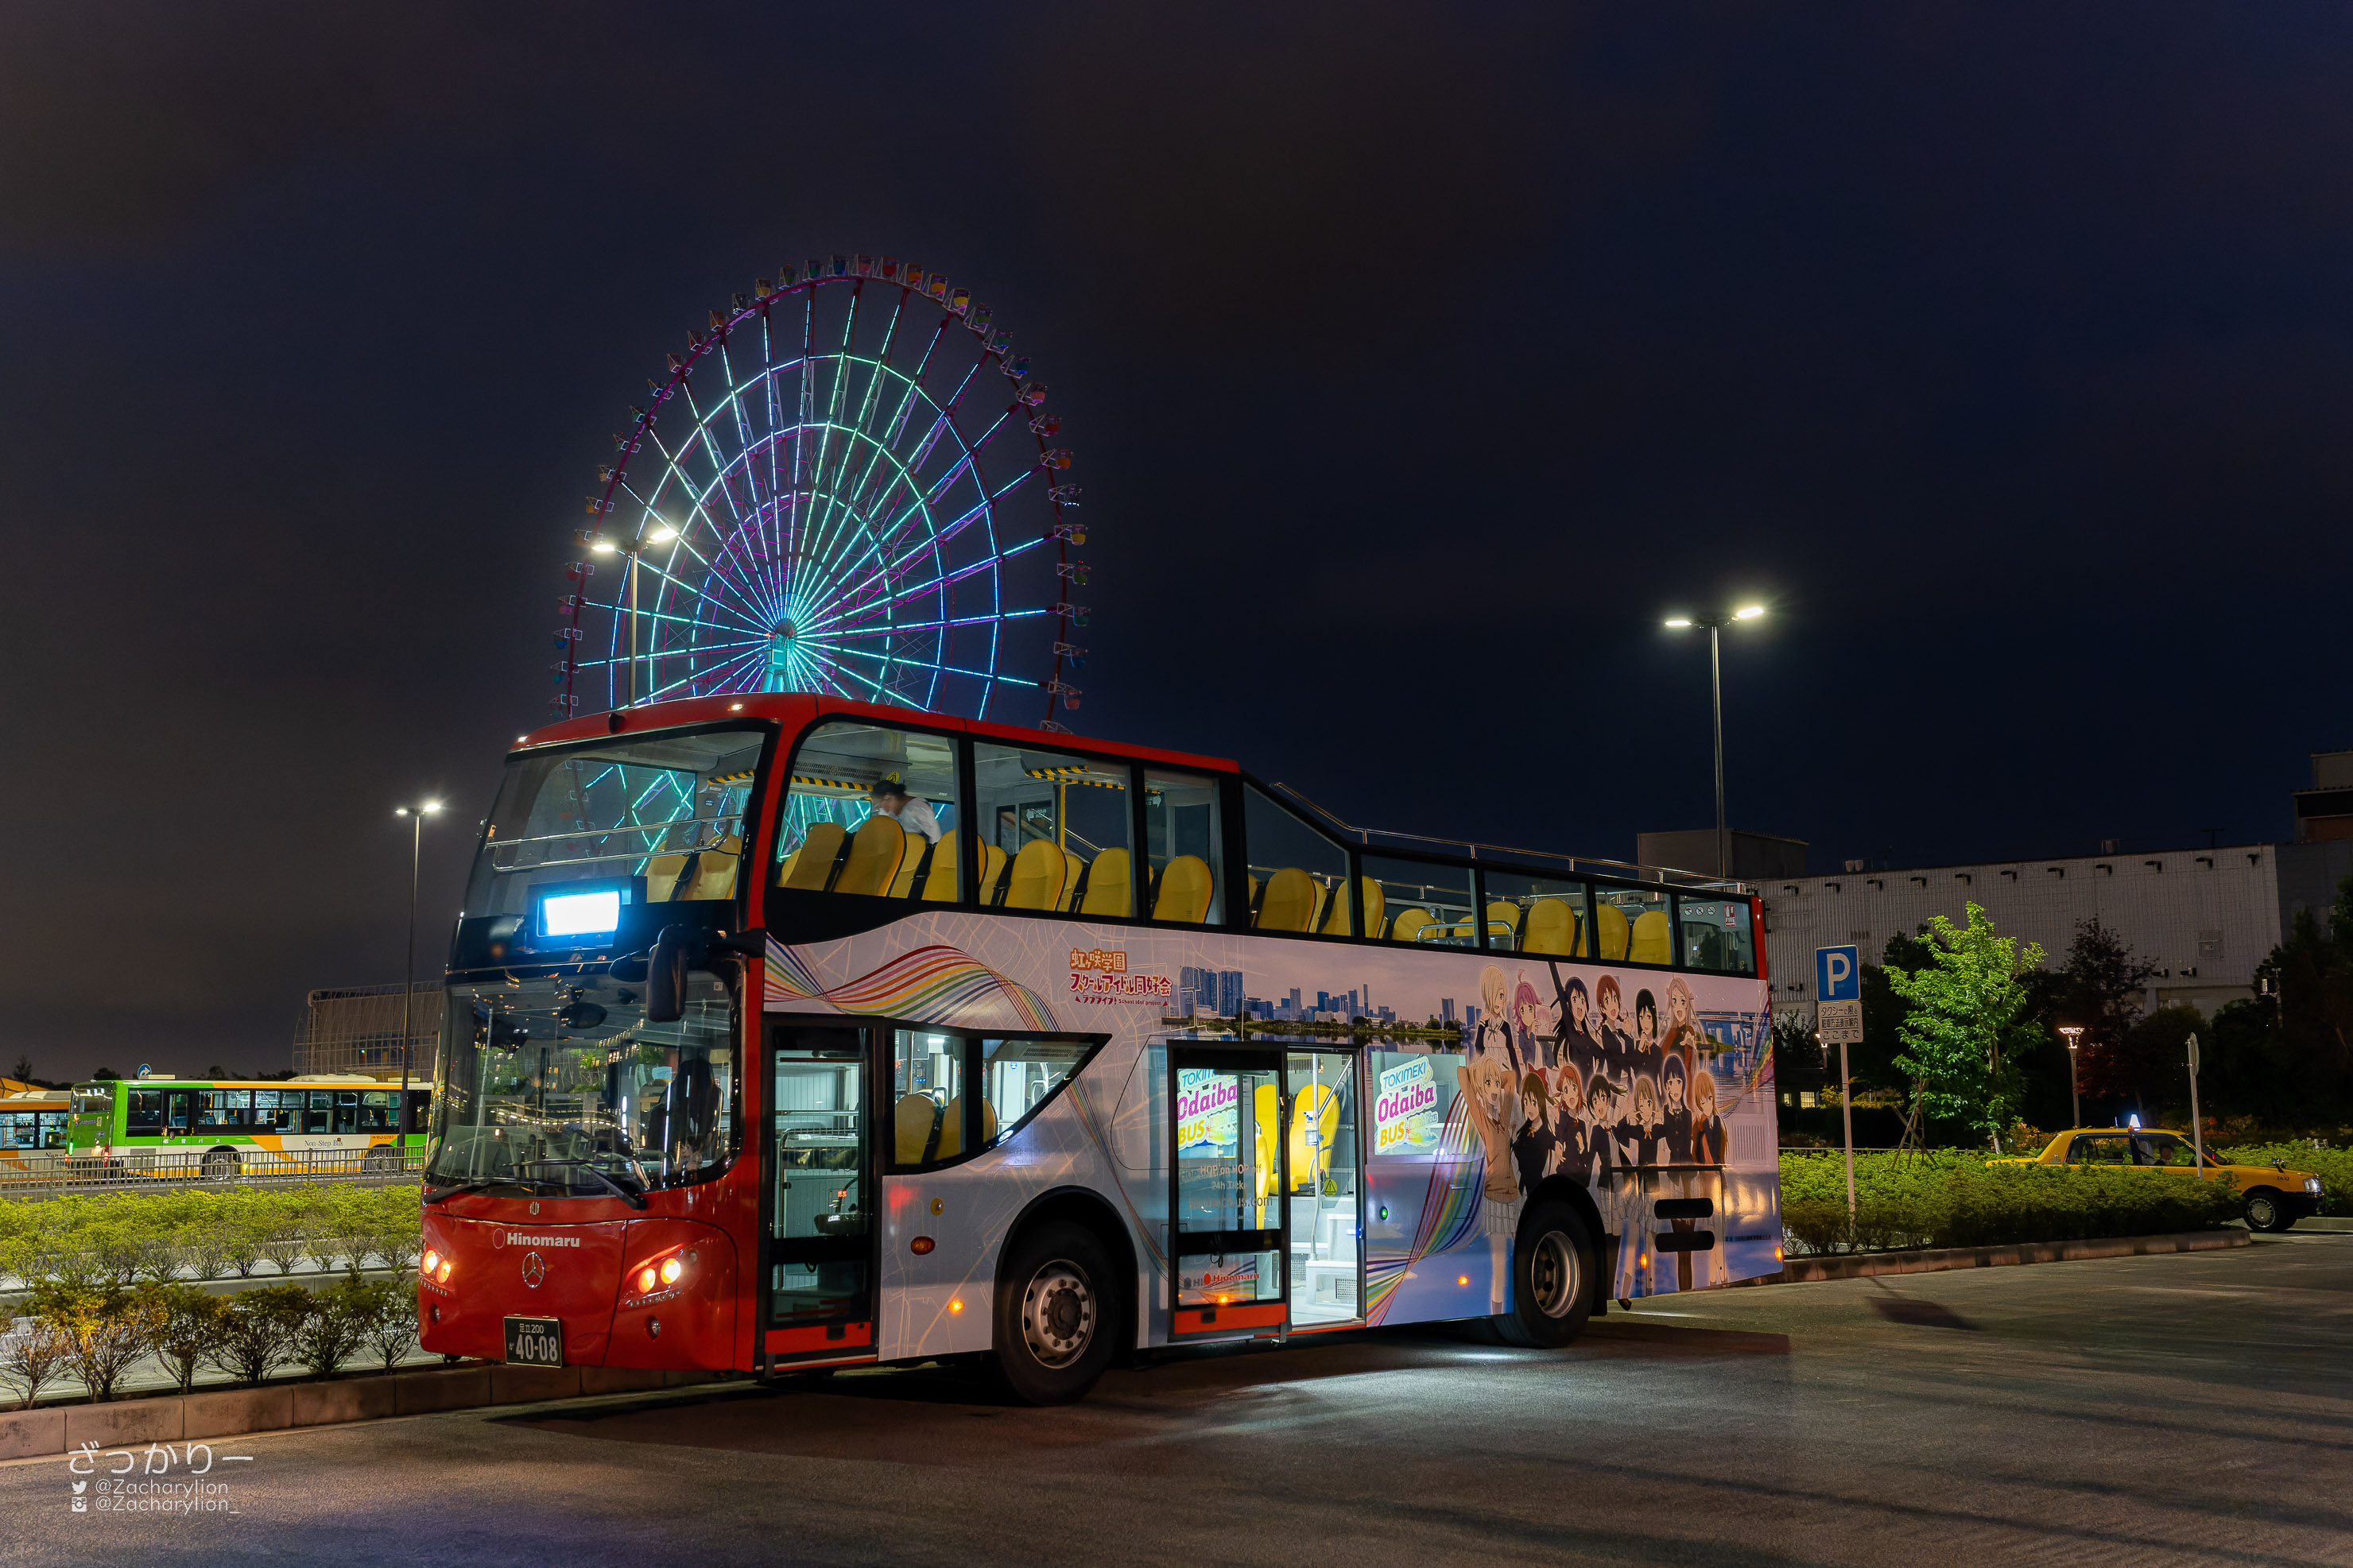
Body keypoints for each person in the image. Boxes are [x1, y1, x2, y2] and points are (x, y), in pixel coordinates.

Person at [1457, 1051, 1522, 1317]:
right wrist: (1478, 1079)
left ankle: (1520, 1304)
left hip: (1514, 1194)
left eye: (1496, 1084)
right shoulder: (1483, 1120)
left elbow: (1511, 1077)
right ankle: (1498, 1313)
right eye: (1489, 1085)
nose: (1495, 1089)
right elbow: (1462, 1076)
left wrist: (1493, 1075)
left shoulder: (1504, 1117)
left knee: (1520, 1255)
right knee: (1498, 1261)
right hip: (1494, 1195)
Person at [1550, 970, 1601, 1079]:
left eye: (1583, 1000)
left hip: (1590, 1091)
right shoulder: (1571, 1030)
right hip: (1578, 1090)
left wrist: (1597, 1077)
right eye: (1575, 999)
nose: (1580, 1005)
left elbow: (1602, 1054)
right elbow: (1558, 987)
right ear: (1568, 1004)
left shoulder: (1586, 1035)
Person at [1511, 1072, 1554, 1200]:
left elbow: (1556, 1144)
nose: (1529, 1107)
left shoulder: (1545, 1132)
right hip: (1523, 1189)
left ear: (1540, 1102)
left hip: (1537, 1191)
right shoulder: (1525, 1129)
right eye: (1526, 1101)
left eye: (1533, 1102)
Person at [869, 773, 942, 844]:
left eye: (879, 803)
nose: (878, 807)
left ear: (888, 798)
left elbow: (934, 835)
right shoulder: (891, 813)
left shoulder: (916, 808)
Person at [1512, 977, 1553, 1072]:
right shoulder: (1522, 1036)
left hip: (1544, 1079)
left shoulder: (1542, 1035)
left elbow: (1550, 1063)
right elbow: (1529, 1060)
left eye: (1530, 1008)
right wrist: (1532, 1037)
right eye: (1522, 1010)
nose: (1526, 1014)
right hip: (1532, 1079)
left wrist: (1548, 1042)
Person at [1659, 1051, 1693, 1163]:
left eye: (1678, 1082)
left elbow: (1686, 1147)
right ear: (1666, 1085)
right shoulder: (1664, 1112)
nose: (1675, 1088)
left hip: (1688, 1167)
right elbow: (1669, 1142)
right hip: (1672, 1167)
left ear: (1683, 1084)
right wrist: (1669, 1111)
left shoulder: (1688, 1114)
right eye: (1670, 1082)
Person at [1690, 1069, 1727, 1167]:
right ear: (1699, 1103)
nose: (1707, 1105)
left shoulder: (1717, 1124)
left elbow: (1721, 1158)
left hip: (1716, 1176)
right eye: (1703, 1101)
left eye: (1710, 1098)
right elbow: (1694, 1156)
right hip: (1702, 1176)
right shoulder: (1696, 1127)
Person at [1630, 989, 1665, 1089]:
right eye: (1641, 1017)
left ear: (1654, 1019)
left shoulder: (1657, 1051)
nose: (1645, 1022)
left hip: (1655, 1097)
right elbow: (1636, 1073)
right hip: (1640, 1097)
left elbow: (1662, 1082)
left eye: (1648, 1017)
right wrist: (1640, 1049)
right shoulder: (1635, 1047)